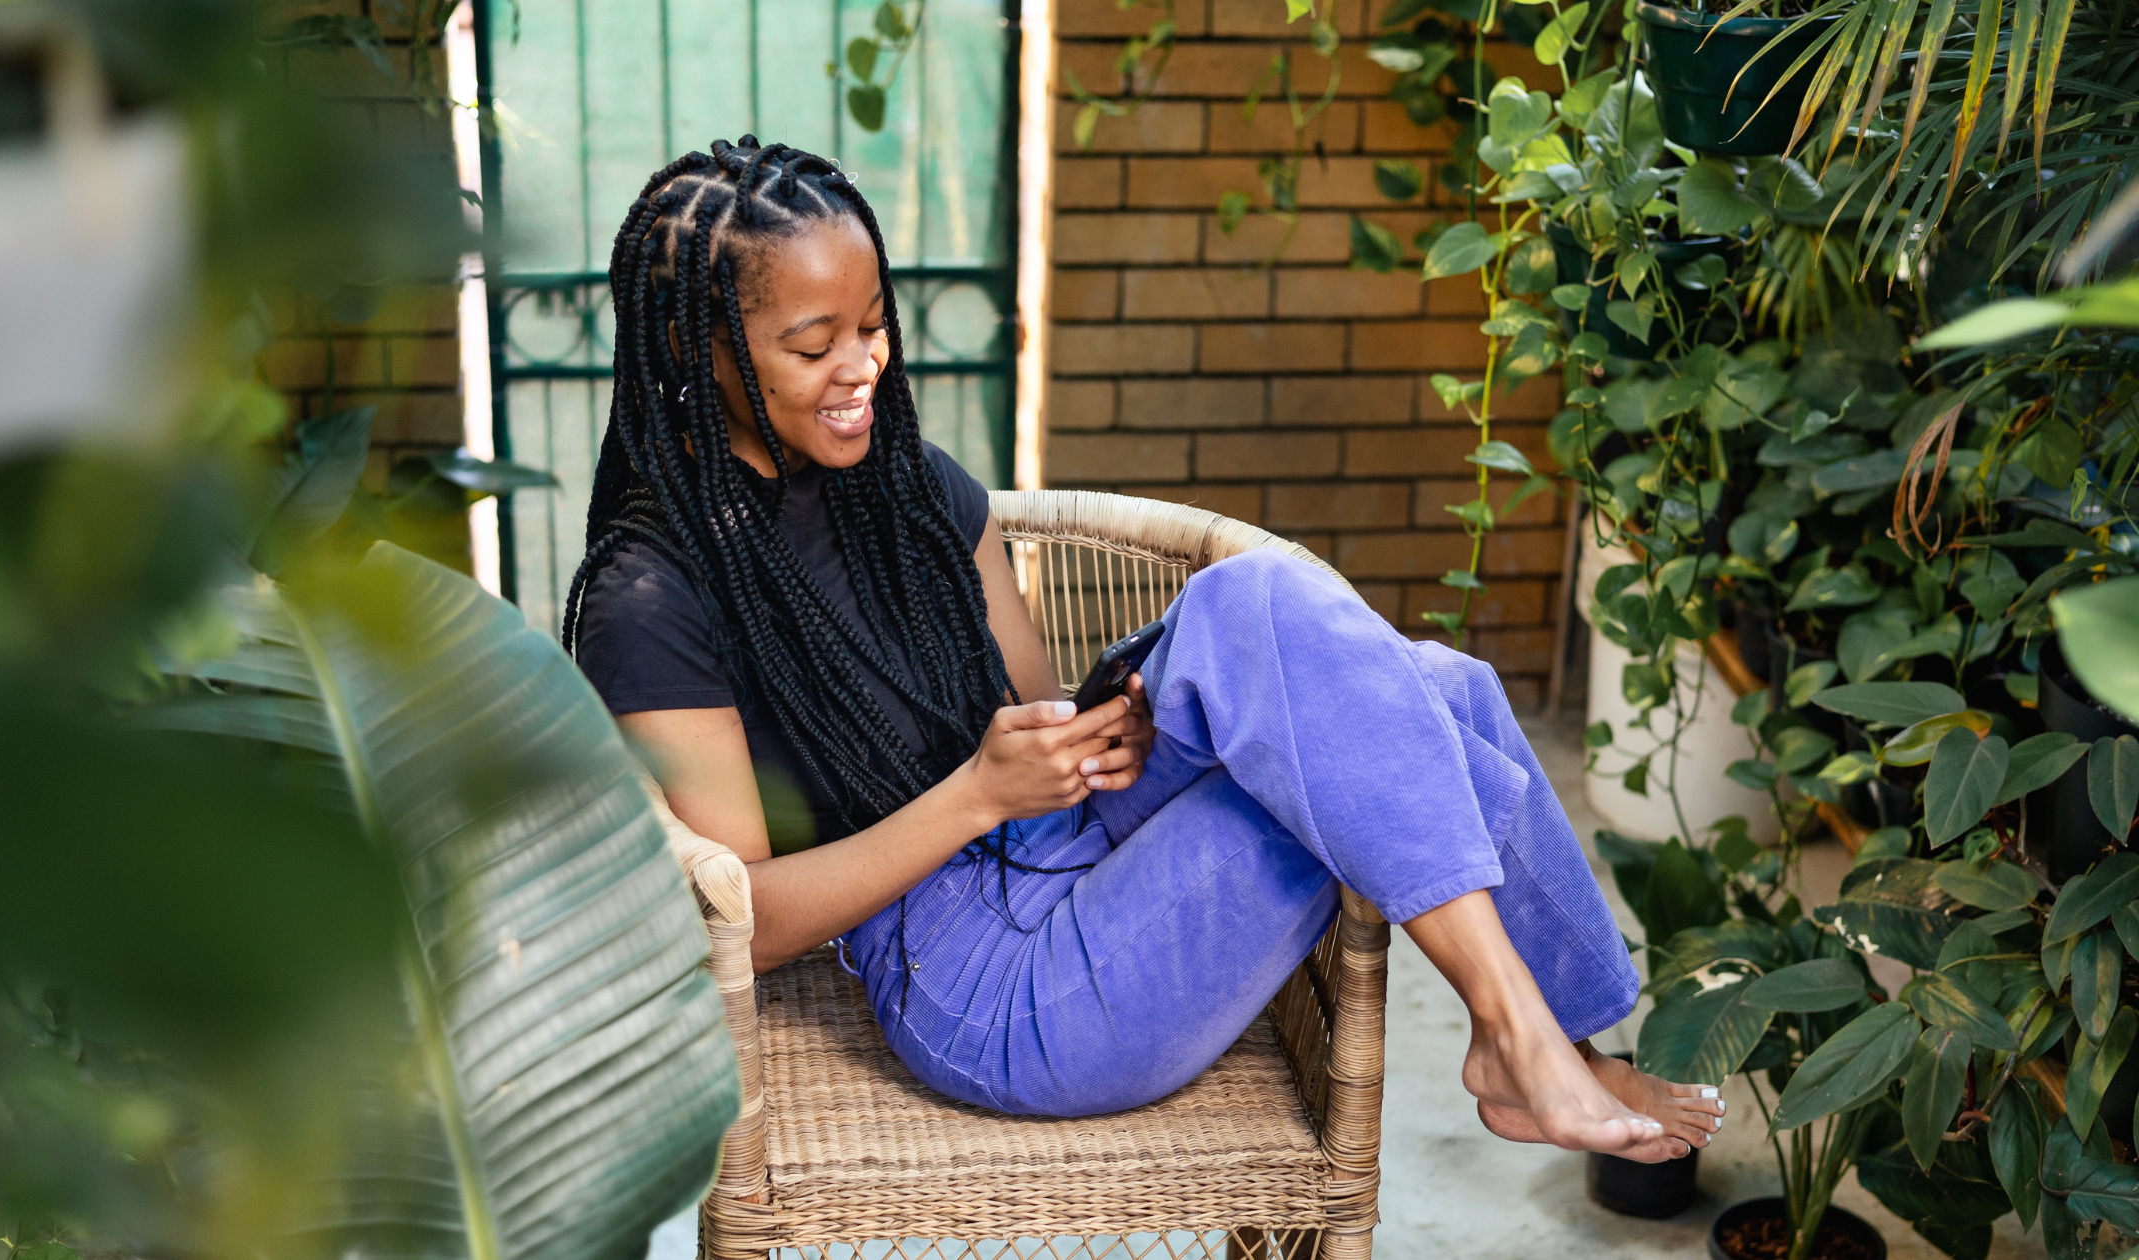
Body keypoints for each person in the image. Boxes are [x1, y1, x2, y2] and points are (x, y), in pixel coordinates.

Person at [567, 137, 1724, 1158]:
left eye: (873, 325)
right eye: (813, 343)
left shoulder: (905, 486)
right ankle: (1524, 1037)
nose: (863, 367)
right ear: (699, 348)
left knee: (1322, 632)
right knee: (1410, 704)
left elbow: (1031, 712)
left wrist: (1079, 737)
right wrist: (977, 794)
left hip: (1058, 840)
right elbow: (741, 921)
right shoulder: (652, 593)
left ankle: (1528, 1038)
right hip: (979, 984)